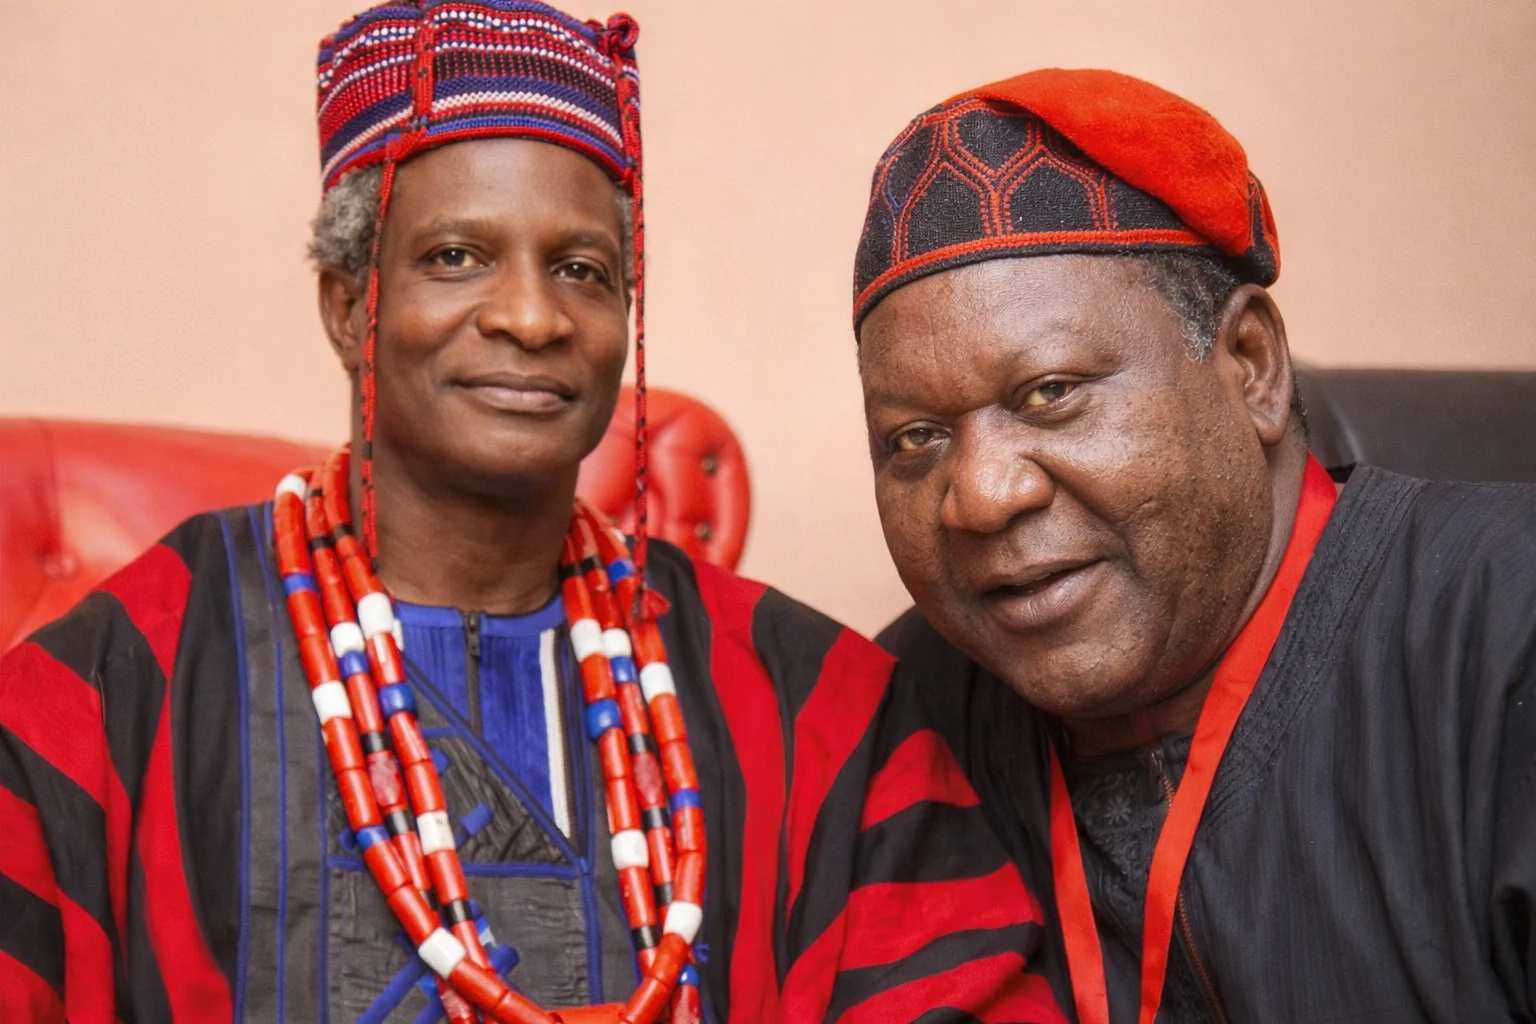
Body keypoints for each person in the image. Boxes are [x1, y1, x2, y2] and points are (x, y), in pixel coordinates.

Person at [0, 6, 1067, 1022]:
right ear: (345, 306)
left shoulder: (819, 710)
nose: (529, 316)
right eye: (455, 256)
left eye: (582, 270)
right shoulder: (115, 686)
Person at [855, 68, 1536, 1024]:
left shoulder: (1509, 625)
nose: (979, 496)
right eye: (914, 438)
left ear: (1251, 366)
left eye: (1050, 393)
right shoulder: (902, 720)